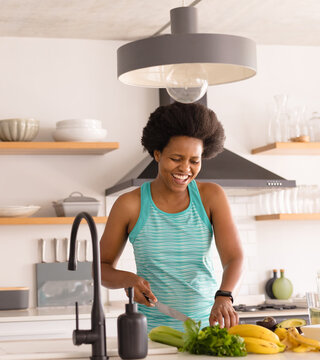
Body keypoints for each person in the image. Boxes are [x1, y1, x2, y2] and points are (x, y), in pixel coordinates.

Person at [100, 102, 244, 332]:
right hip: (151, 335)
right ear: (157, 154)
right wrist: (128, 280)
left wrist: (224, 296)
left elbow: (234, 257)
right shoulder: (129, 205)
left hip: (208, 330)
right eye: (176, 158)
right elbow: (101, 267)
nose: (185, 168)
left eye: (194, 161)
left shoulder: (211, 196)